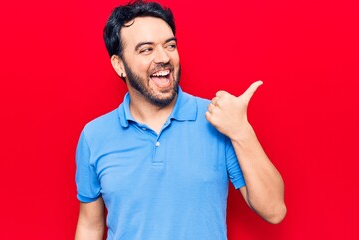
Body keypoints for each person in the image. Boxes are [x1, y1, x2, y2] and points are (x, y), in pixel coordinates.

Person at [74, 0, 286, 239]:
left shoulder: (217, 119)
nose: (163, 57)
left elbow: (274, 210)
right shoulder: (94, 136)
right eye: (147, 49)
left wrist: (241, 131)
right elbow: (90, 225)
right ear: (119, 64)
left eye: (170, 45)